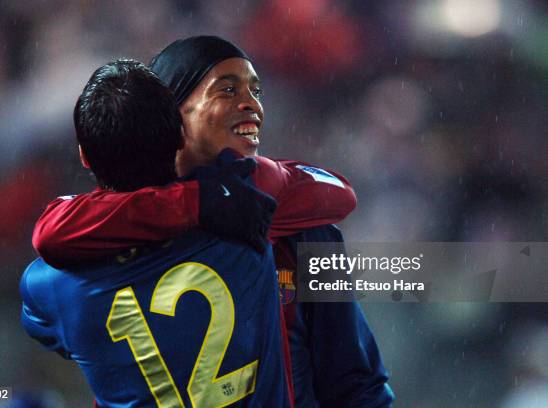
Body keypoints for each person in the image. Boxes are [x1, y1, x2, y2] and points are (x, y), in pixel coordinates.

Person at [32, 36, 394, 406]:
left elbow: (357, 381)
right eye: (227, 89)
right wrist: (201, 201)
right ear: (171, 116)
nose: (252, 105)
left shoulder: (298, 227)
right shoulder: (97, 238)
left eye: (256, 90)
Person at [21, 60, 293, 407]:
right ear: (181, 136)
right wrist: (199, 199)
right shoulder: (248, 210)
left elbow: (49, 247)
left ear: (84, 157)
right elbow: (337, 195)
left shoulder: (49, 286)